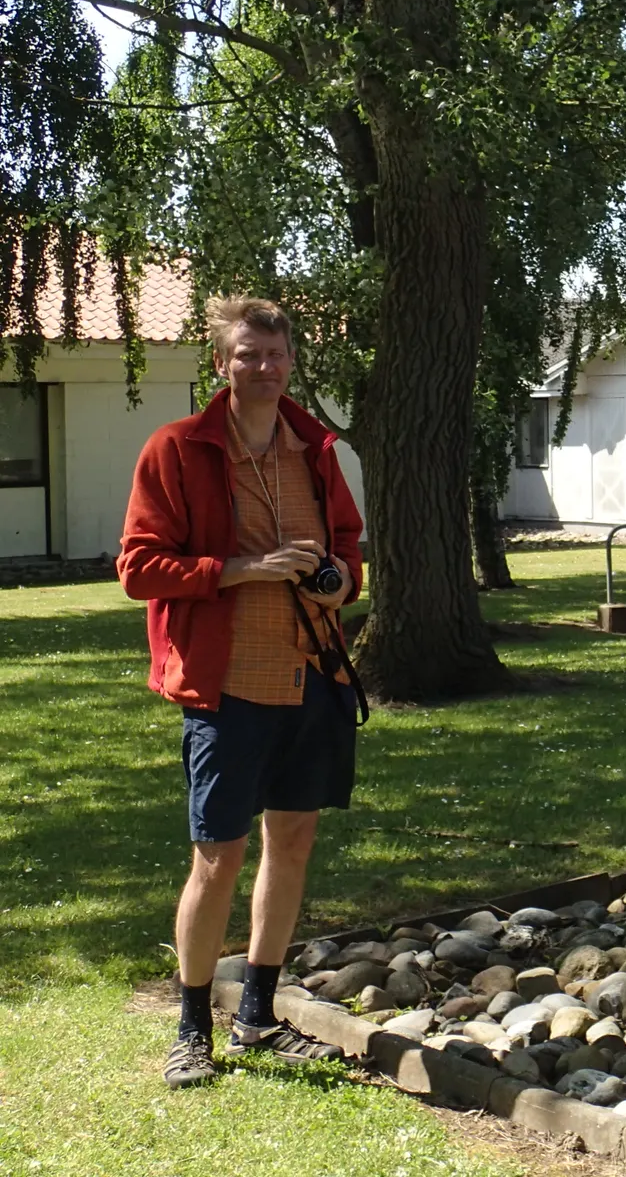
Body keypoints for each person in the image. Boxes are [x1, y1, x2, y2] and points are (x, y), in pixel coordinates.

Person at [119, 295, 365, 1089]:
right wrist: (238, 569)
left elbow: (349, 550)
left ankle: (258, 1013)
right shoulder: (178, 448)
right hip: (226, 685)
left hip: (313, 675)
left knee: (291, 843)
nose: (264, 368)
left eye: (276, 355)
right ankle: (193, 1028)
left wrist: (336, 581)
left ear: (292, 361)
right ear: (220, 364)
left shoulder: (315, 449)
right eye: (247, 355)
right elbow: (138, 567)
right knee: (217, 857)